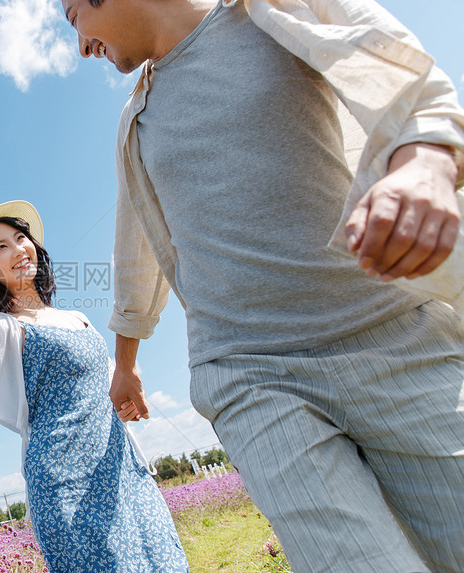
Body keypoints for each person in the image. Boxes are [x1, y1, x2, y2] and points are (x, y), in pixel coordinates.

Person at [60, 0, 464, 572]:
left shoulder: (267, 11)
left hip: (395, 336)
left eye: (74, 14)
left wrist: (425, 164)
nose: (80, 45)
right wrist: (125, 362)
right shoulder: (137, 123)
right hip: (250, 376)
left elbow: (398, 72)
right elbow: (136, 251)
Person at [0, 200, 188, 572]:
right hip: (64, 480)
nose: (18, 248)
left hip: (118, 464)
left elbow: (103, 385)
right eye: (1, 247)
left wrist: (122, 402)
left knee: (161, 558)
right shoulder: (0, 326)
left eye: (20, 238)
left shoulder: (76, 317)